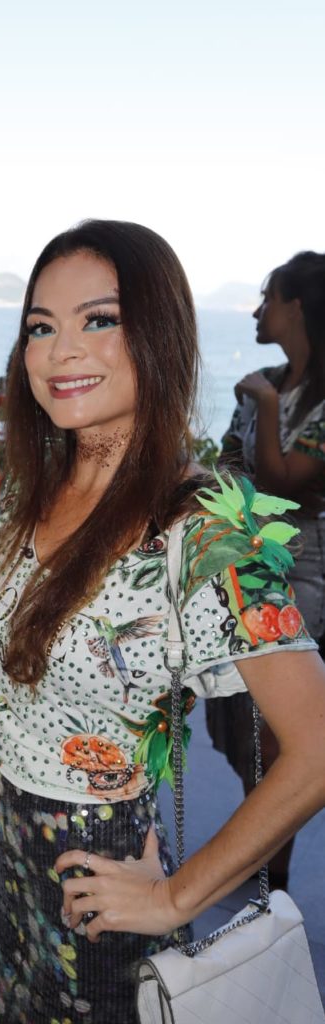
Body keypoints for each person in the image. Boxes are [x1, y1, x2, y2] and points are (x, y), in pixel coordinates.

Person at [0, 220, 325, 1024]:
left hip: (101, 898)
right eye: (40, 328)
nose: (60, 352)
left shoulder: (206, 530)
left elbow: (316, 748)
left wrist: (175, 898)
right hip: (0, 870)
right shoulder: (32, 492)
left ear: (157, 333)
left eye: (98, 320)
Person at [206, 250, 325, 891]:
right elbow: (227, 468)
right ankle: (262, 847)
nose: (258, 309)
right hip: (244, 571)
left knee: (282, 738)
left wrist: (269, 404)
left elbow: (292, 487)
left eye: (267, 297)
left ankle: (268, 877)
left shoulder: (271, 392)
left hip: (305, 586)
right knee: (232, 727)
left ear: (298, 307)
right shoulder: (264, 385)